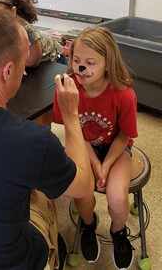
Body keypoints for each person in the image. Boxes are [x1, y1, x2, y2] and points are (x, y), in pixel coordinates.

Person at [0, 8, 95, 270]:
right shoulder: (33, 142)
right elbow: (84, 186)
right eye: (23, 63)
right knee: (44, 193)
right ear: (8, 71)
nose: (24, 72)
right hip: (17, 262)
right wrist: (70, 115)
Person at [53, 26, 138, 270]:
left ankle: (118, 232)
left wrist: (106, 165)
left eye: (90, 62)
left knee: (117, 197)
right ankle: (88, 226)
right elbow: (74, 131)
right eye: (76, 60)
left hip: (115, 148)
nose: (80, 68)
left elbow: (124, 135)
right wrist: (94, 165)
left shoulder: (123, 94)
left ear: (108, 64)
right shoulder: (69, 90)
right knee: (81, 191)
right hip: (82, 144)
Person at [0, 0, 67, 67]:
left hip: (53, 60)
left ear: (13, 11)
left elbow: (33, 61)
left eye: (1, 17)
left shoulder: (24, 29)